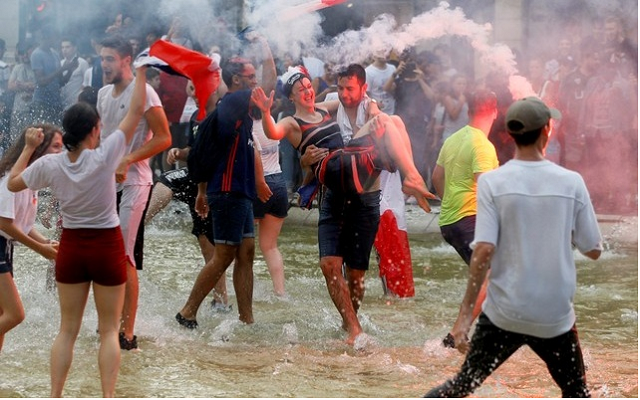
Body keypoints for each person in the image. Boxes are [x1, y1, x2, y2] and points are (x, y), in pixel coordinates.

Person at [424, 97, 602, 398]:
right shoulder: (572, 183)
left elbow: (482, 252)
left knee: (460, 386)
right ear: (547, 130)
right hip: (554, 315)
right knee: (576, 391)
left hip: (503, 314)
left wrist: (465, 320)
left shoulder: (493, 182)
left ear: (510, 133)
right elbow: (593, 249)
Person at [252, 66, 434, 344]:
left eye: (308, 87)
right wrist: (266, 112)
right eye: (301, 90)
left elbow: (366, 102)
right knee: (329, 264)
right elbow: (274, 132)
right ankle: (354, 329)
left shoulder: (329, 108)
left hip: (365, 193)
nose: (308, 92)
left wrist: (372, 106)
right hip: (334, 194)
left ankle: (349, 323)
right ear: (291, 96)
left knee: (357, 272)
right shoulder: (293, 121)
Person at [7, 65, 148, 397]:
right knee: (110, 331)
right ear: (96, 129)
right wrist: (141, 73)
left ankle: (55, 395)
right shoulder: (106, 155)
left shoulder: (50, 164)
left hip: (71, 247)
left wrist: (28, 148)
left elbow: (13, 183)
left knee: (66, 331)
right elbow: (137, 111)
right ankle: (107, 396)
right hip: (106, 247)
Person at [175, 34, 277, 329]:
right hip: (230, 191)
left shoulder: (238, 107)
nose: (255, 82)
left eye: (254, 77)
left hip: (238, 192)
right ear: (235, 81)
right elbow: (270, 85)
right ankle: (188, 311)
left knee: (246, 252)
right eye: (249, 78)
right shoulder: (234, 101)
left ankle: (247, 319)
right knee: (224, 255)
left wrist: (202, 191)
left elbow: (227, 149)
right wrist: (266, 46)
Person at [97, 35, 171, 350]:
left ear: (127, 60)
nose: (104, 65)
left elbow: (164, 138)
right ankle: (108, 325)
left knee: (123, 255)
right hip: (106, 182)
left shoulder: (146, 92)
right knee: (103, 255)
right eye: (102, 59)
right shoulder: (102, 94)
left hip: (136, 182)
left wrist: (128, 158)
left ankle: (127, 334)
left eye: (110, 59)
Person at [145, 80, 229, 308]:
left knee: (209, 243)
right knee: (166, 181)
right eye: (190, 89)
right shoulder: (196, 118)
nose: (191, 94)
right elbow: (195, 151)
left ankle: (222, 300)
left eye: (196, 88)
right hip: (196, 176)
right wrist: (179, 152)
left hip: (216, 183)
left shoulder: (224, 113)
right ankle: (138, 224)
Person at [431, 89, 499, 348]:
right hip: (469, 218)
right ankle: (457, 334)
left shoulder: (453, 139)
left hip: (449, 221)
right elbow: (486, 190)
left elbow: (437, 178)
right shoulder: (482, 145)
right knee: (492, 276)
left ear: (469, 111)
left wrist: (449, 201)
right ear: (494, 112)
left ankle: (466, 332)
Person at [0, 124, 62, 353]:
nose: (61, 153)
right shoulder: (12, 178)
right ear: (39, 149)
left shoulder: (30, 178)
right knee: (15, 314)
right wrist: (39, 248)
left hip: (4, 245)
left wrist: (44, 241)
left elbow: (20, 224)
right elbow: (3, 222)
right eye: (55, 147)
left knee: (3, 315)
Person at [252, 113, 287, 297]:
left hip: (259, 184)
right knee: (270, 246)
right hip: (279, 184)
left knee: (241, 245)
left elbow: (254, 154)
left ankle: (242, 287)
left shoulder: (247, 125)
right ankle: (280, 293)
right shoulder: (270, 119)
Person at [60, 38, 89, 111]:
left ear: (74, 48)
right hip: (63, 104)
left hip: (77, 104)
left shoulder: (82, 63)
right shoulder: (60, 63)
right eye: (62, 47)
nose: (64, 50)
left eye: (67, 47)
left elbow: (87, 83)